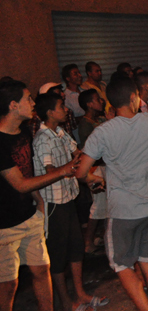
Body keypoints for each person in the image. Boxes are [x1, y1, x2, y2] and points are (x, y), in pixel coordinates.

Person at [75, 77, 148, 311]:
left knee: (121, 265)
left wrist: (95, 179)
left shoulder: (103, 132)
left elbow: (81, 172)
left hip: (124, 211)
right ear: (133, 98)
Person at [0, 80, 79, 311]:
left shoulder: (23, 132)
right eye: (28, 99)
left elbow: (28, 171)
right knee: (9, 285)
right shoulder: (0, 142)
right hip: (5, 225)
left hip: (29, 216)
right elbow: (20, 184)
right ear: (13, 105)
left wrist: (39, 201)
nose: (33, 103)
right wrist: (62, 171)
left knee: (42, 271)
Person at [32, 93, 108, 311]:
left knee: (75, 248)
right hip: (53, 203)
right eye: (61, 106)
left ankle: (80, 294)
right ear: (50, 112)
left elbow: (79, 156)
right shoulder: (42, 139)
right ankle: (66, 302)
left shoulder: (60, 132)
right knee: (58, 255)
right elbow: (51, 172)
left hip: (67, 197)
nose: (66, 109)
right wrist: (73, 168)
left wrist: (90, 177)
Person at [77, 89, 108, 254]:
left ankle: (102, 237)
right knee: (99, 206)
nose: (101, 101)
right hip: (95, 167)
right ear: (89, 104)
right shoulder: (85, 124)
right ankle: (88, 242)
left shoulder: (100, 119)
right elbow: (90, 149)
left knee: (106, 205)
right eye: (97, 99)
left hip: (104, 166)